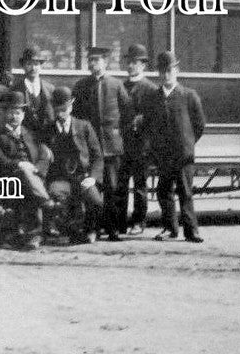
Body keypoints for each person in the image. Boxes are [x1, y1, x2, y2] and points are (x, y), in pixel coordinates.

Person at [144, 51, 206, 243]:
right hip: (163, 156)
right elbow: (149, 125)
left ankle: (191, 230)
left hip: (183, 156)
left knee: (186, 192)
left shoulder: (188, 95)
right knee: (164, 192)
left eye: (170, 70)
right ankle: (170, 228)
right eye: (162, 71)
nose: (166, 74)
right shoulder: (153, 98)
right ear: (158, 74)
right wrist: (156, 148)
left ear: (177, 71)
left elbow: (199, 124)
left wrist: (187, 143)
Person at [70, 46, 130, 242]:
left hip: (111, 147)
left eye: (97, 60)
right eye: (90, 60)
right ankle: (91, 229)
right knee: (90, 188)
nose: (92, 64)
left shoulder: (116, 85)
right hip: (89, 149)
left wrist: (117, 133)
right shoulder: (81, 86)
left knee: (112, 189)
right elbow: (76, 118)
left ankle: (112, 229)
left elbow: (128, 113)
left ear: (106, 62)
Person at [0, 90, 54, 251]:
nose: (14, 117)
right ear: (5, 114)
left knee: (29, 182)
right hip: (9, 177)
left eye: (18, 113)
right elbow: (0, 159)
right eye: (11, 113)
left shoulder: (31, 134)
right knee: (26, 178)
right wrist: (19, 164)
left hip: (34, 176)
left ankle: (33, 236)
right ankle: (45, 202)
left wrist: (37, 169)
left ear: (23, 115)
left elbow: (44, 155)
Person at [43, 86, 104, 244]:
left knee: (95, 200)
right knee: (56, 197)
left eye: (64, 109)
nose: (61, 114)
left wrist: (93, 178)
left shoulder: (84, 126)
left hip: (82, 176)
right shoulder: (48, 129)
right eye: (58, 110)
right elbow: (42, 157)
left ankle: (90, 229)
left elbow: (97, 156)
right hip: (59, 178)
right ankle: (70, 230)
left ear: (71, 107)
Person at [120, 44, 157, 235]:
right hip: (123, 144)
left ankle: (138, 222)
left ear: (143, 65)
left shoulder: (151, 89)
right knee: (121, 184)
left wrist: (143, 121)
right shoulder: (122, 86)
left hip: (141, 145)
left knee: (140, 185)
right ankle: (120, 222)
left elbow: (155, 119)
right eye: (129, 62)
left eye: (135, 62)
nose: (131, 66)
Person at [12, 48, 55, 138]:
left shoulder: (50, 89)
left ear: (40, 66)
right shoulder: (15, 89)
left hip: (46, 137)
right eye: (29, 64)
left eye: (36, 64)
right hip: (24, 137)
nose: (33, 68)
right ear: (23, 66)